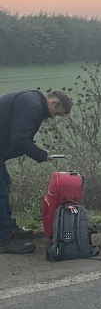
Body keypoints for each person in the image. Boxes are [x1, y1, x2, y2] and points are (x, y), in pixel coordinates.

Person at [0, 90, 72, 254]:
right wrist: (40, 154)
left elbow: (17, 136)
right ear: (53, 103)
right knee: (0, 190)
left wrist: (37, 151)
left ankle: (7, 229)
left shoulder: (32, 102)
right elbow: (19, 138)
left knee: (4, 184)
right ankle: (3, 239)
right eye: (57, 114)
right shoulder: (32, 105)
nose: (54, 118)